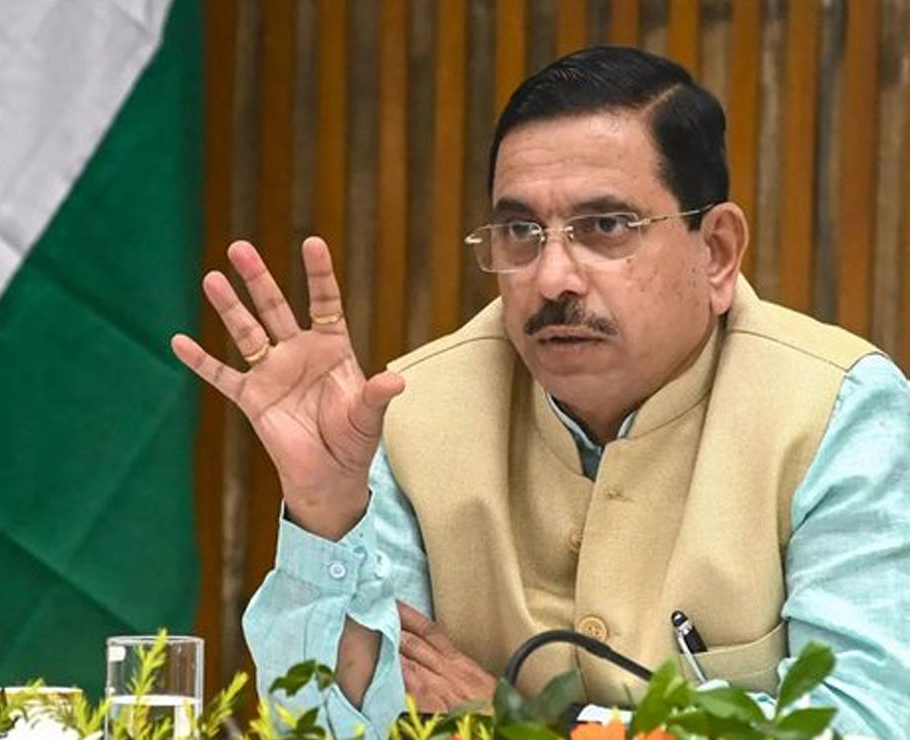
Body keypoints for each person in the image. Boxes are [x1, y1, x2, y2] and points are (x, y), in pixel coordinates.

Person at [171, 47, 910, 740]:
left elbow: (868, 719)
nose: (552, 278)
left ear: (715, 252)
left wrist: (534, 725)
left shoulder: (835, 411)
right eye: (521, 231)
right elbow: (326, 726)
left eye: (606, 226)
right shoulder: (412, 410)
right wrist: (327, 512)